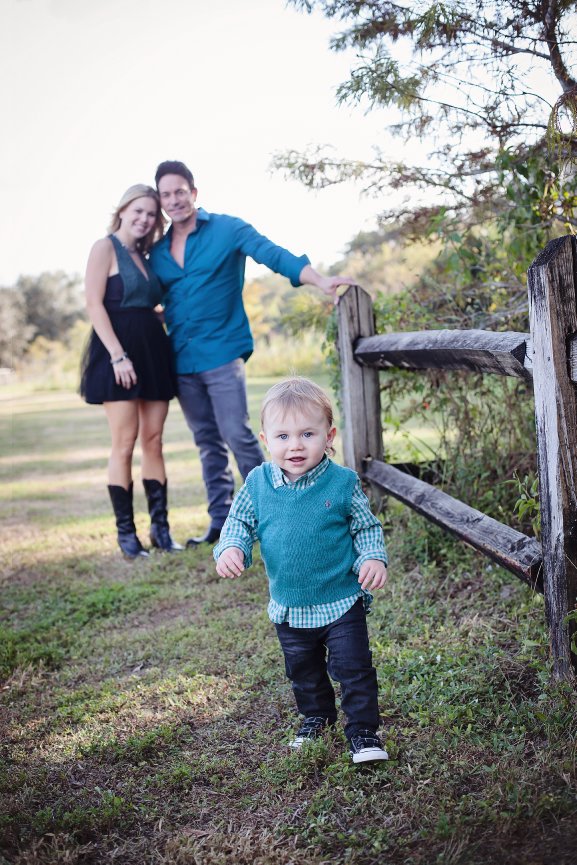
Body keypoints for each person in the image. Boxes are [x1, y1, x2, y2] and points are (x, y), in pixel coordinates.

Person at [149, 160, 355, 547]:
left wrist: (319, 280)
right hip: (182, 359)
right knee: (206, 442)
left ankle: (275, 514)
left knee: (235, 433)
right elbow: (157, 299)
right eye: (166, 195)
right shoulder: (158, 252)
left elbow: (273, 255)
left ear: (194, 192)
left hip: (222, 351)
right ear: (160, 200)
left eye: (180, 191)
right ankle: (222, 522)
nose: (174, 200)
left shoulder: (228, 229)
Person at [214, 376, 389, 764]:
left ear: (329, 436)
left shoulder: (342, 483)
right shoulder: (258, 483)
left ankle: (364, 733)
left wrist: (372, 557)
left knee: (354, 669)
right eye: (283, 436)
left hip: (341, 601)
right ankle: (317, 718)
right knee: (303, 671)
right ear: (266, 440)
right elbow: (239, 521)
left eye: (307, 434)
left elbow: (365, 527)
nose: (295, 445)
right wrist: (231, 547)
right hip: (290, 606)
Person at [81, 184, 183, 558]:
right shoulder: (104, 248)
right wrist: (117, 356)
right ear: (123, 210)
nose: (144, 219)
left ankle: (161, 530)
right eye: (138, 210)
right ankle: (127, 535)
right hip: (118, 353)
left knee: (153, 440)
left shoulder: (145, 255)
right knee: (124, 442)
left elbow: (144, 303)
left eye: (151, 214)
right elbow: (94, 304)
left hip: (153, 351)